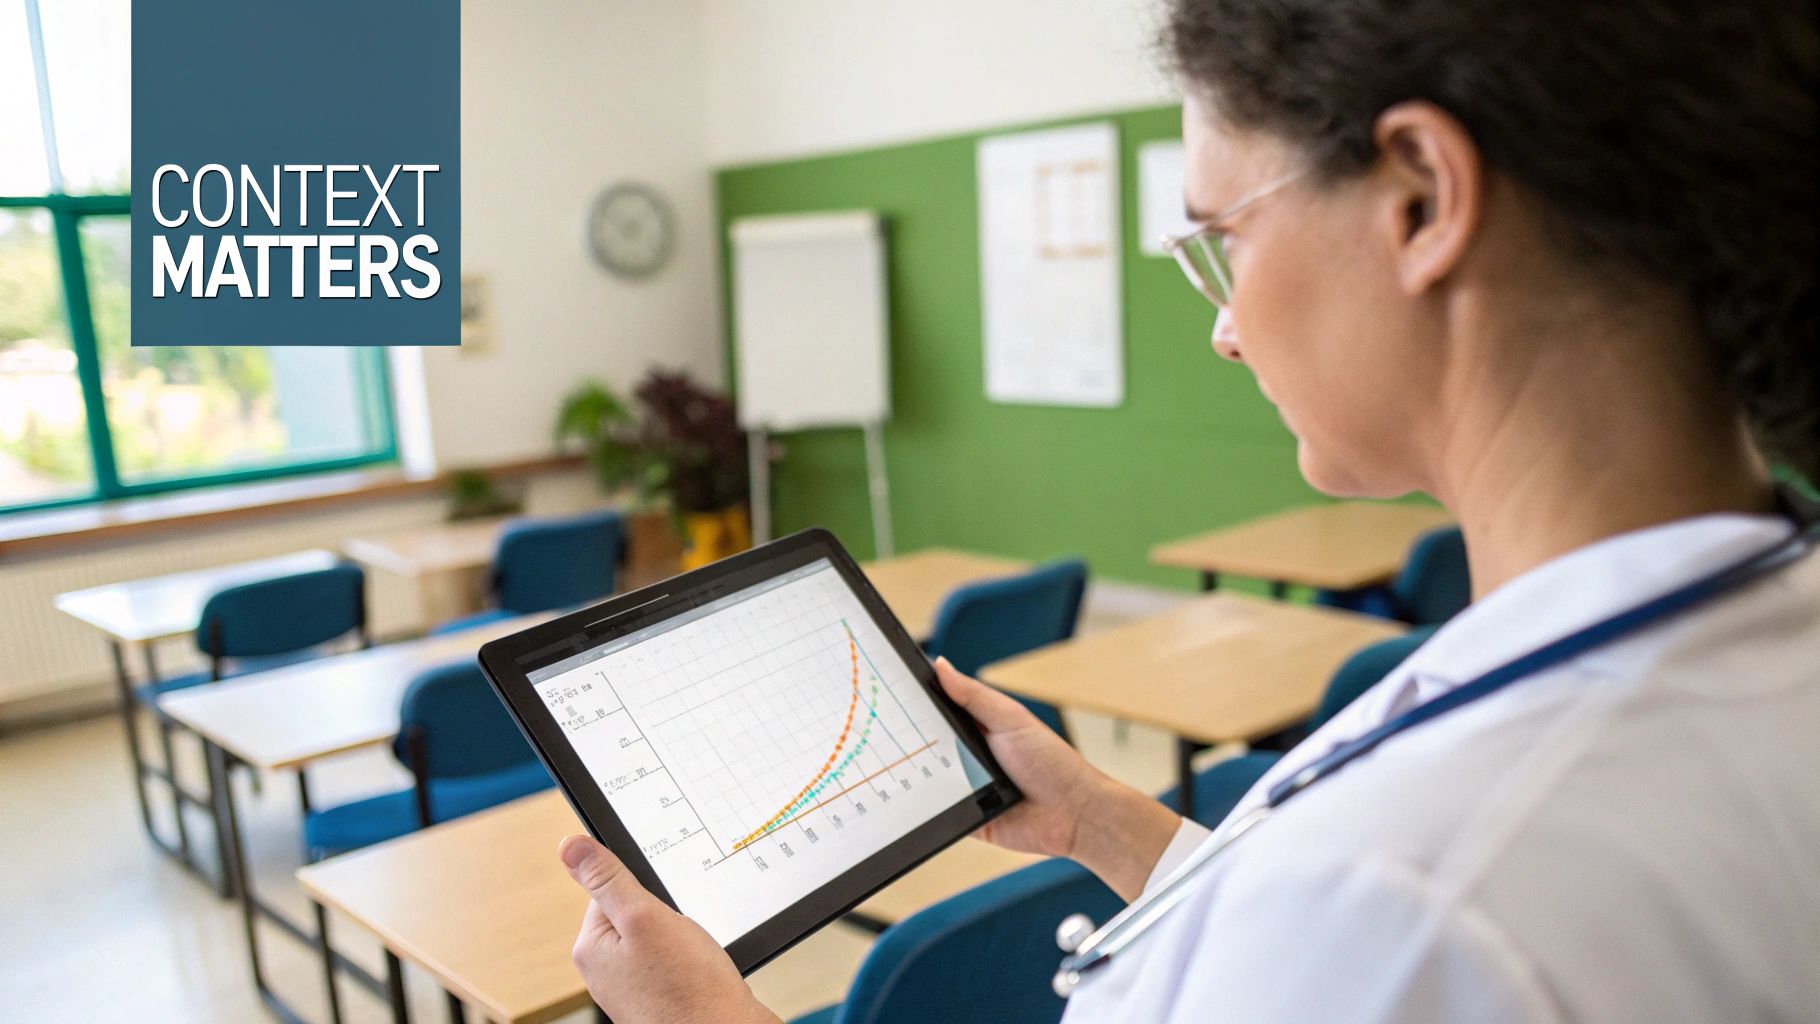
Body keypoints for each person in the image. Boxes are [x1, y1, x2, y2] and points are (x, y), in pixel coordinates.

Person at [552, 0, 1820, 1019]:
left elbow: (1366, 926)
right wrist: (1114, 826)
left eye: (1222, 236)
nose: (1221, 328)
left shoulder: (1404, 899)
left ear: (1420, 198)